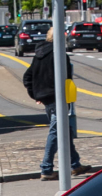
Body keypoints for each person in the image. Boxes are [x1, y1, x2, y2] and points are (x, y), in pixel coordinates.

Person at [22, 36, 85, 177]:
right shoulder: (60, 55)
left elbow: (27, 77)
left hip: (47, 99)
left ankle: (75, 165)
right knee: (56, 131)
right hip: (58, 99)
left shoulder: (39, 55)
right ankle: (46, 168)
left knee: (64, 131)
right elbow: (67, 79)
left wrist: (36, 95)